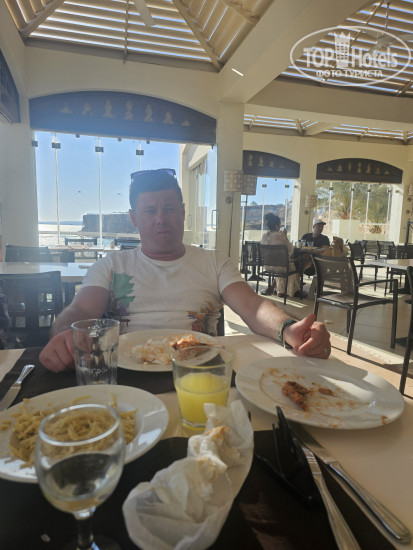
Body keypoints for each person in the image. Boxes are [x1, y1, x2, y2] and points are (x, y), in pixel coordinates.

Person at [39, 169, 331, 372]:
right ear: (134, 218)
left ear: (182, 211)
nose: (161, 219)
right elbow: (80, 311)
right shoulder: (111, 265)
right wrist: (64, 335)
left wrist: (288, 329)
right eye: (150, 211)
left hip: (202, 373)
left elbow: (253, 306)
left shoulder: (214, 262)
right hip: (125, 376)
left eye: (169, 209)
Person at [260, 213, 300, 298]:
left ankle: (281, 291)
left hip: (267, 266)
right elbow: (291, 249)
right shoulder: (281, 235)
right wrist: (285, 236)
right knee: (291, 266)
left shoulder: (264, 236)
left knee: (282, 264)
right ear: (277, 225)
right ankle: (290, 291)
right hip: (281, 267)